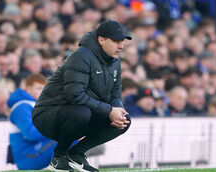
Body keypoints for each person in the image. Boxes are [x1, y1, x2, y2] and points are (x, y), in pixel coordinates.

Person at [32, 20, 131, 172]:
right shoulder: (82, 56)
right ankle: (58, 157)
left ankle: (76, 154)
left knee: (124, 120)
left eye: (122, 41)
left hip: (79, 114)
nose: (121, 46)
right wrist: (108, 110)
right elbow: (74, 95)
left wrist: (118, 110)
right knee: (81, 112)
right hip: (47, 115)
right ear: (101, 40)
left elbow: (115, 95)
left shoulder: (114, 61)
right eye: (116, 41)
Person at [7, 74, 57, 170]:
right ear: (28, 88)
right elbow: (30, 134)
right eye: (38, 88)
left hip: (36, 151)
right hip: (27, 157)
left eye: (44, 88)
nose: (42, 91)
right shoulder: (21, 107)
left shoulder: (35, 105)